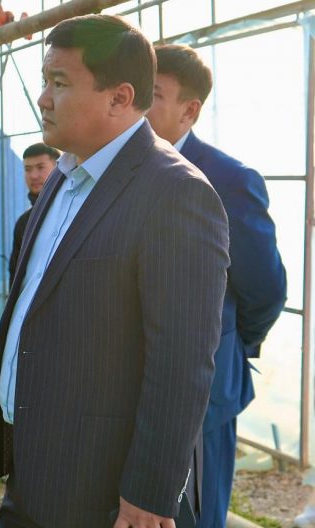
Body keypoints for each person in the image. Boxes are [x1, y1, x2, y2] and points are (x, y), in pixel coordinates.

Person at [0, 14, 230, 527]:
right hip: (32, 466)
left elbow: (181, 363)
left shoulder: (174, 193)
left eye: (59, 83)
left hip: (104, 491)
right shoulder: (64, 174)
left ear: (119, 98)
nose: (43, 99)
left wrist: (149, 495)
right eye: (45, 81)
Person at [147, 44, 287, 528]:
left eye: (153, 95)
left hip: (203, 395)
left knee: (195, 514)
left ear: (189, 111)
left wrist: (230, 343)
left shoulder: (227, 179)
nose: (137, 105)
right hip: (137, 390)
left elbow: (265, 288)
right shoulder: (123, 170)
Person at [8, 143, 60, 283]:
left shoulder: (71, 211)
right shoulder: (24, 223)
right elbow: (15, 275)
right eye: (28, 169)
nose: (34, 176)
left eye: (40, 167)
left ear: (59, 167)